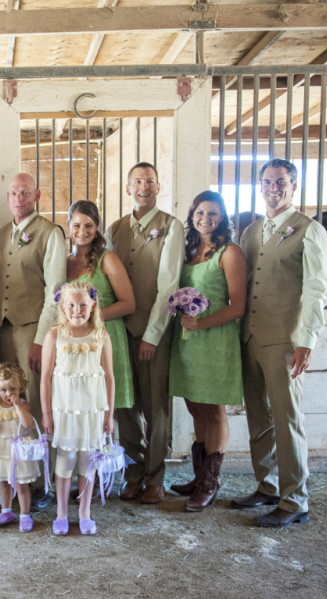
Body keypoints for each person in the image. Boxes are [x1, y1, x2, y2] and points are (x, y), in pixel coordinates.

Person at [232, 158, 327, 527]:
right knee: (259, 416)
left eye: (281, 182)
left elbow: (316, 290)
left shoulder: (310, 230)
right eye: (268, 182)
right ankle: (267, 485)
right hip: (251, 336)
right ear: (260, 186)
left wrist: (305, 340)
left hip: (285, 340)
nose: (274, 188)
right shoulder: (252, 232)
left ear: (293, 186)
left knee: (287, 418)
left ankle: (295, 501)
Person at [108, 162, 185, 504]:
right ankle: (133, 471)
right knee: (124, 406)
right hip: (119, 332)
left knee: (156, 407)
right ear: (128, 188)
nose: (143, 187)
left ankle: (155, 476)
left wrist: (153, 334)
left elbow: (169, 285)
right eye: (137, 181)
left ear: (158, 186)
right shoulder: (114, 229)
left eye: (149, 181)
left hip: (154, 332)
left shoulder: (171, 226)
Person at [168, 191, 247, 511]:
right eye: (200, 212)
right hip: (188, 340)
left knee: (213, 410)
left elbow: (238, 306)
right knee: (195, 406)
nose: (206, 218)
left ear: (222, 217)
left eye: (213, 213)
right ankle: (198, 475)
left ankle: (210, 482)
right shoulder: (188, 250)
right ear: (192, 215)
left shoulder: (230, 252)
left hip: (215, 339)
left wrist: (204, 324)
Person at [0, 173, 66, 512]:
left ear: (37, 194)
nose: (18, 197)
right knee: (9, 405)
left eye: (25, 191)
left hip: (32, 330)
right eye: (13, 192)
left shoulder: (51, 233)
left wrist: (41, 340)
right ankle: (15, 478)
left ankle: (43, 484)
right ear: (6, 196)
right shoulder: (0, 234)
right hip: (3, 330)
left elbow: (55, 293)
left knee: (36, 404)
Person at [41, 281, 114, 536]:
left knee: (87, 461)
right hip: (65, 411)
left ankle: (84, 512)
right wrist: (47, 413)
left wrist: (109, 414)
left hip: (92, 410)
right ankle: (61, 512)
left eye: (83, 304)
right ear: (62, 305)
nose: (77, 310)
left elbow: (109, 378)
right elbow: (46, 376)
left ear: (93, 305)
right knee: (66, 460)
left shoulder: (101, 335)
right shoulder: (54, 335)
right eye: (71, 304)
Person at [67, 199, 136, 412]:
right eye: (77, 225)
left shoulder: (108, 259)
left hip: (105, 335)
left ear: (97, 227)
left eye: (89, 225)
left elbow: (129, 304)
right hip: (77, 338)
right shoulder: (66, 261)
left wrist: (91, 317)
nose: (82, 231)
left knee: (104, 403)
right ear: (69, 225)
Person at [0, 363, 41, 533]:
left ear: (20, 387)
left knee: (22, 484)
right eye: (4, 390)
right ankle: (6, 511)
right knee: (4, 482)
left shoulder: (24, 405)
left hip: (19, 452)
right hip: (2, 450)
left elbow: (28, 424)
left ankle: (25, 514)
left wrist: (17, 404)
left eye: (13, 389)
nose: (8, 394)